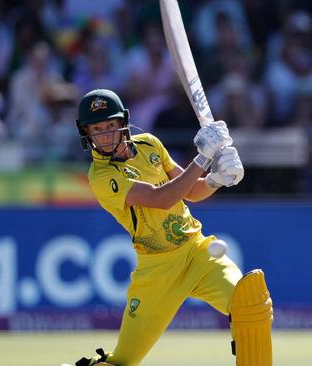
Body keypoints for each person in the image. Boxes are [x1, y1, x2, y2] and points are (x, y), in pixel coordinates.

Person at [72, 89, 273, 366]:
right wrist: (203, 158)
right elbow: (163, 199)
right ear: (87, 133)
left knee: (250, 305)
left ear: (122, 125)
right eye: (97, 129)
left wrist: (217, 178)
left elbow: (191, 191)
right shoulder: (102, 175)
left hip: (198, 253)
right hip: (157, 271)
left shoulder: (150, 145)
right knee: (120, 363)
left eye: (110, 126)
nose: (105, 135)